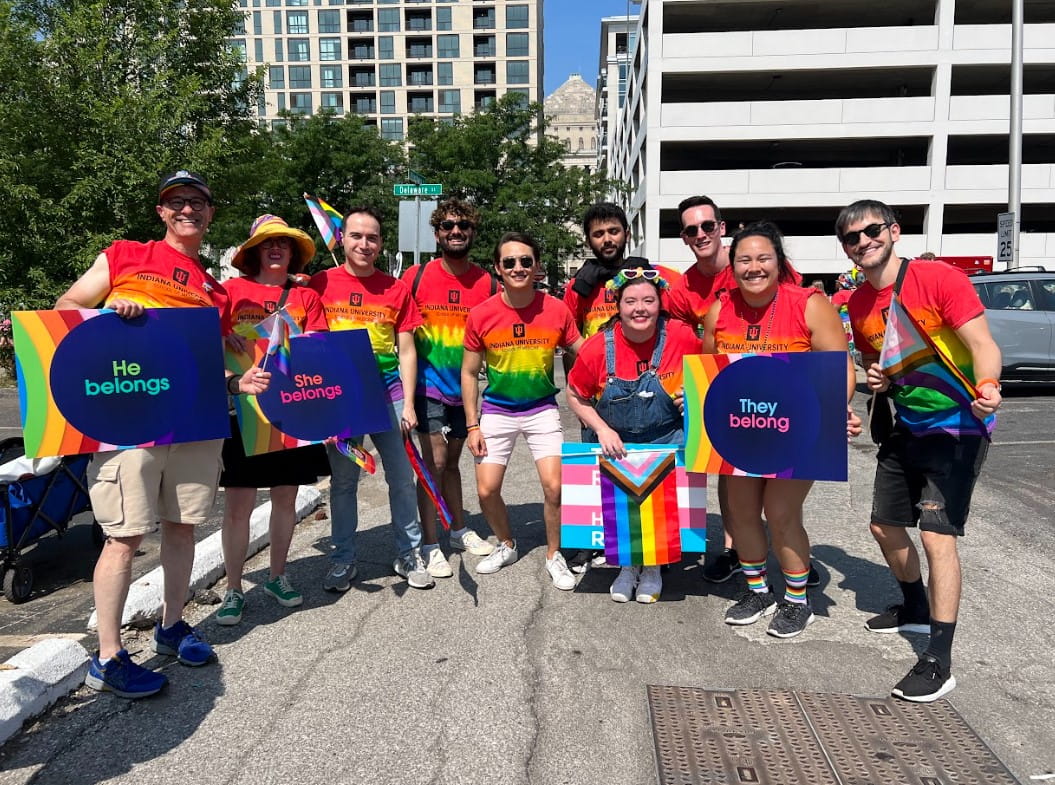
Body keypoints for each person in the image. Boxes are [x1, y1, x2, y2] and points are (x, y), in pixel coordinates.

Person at [57, 171, 270, 698]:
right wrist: (106, 312)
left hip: (194, 421)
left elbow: (205, 360)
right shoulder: (126, 255)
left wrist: (236, 380)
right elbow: (64, 308)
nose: (187, 210)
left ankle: (173, 627)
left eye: (197, 202)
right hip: (128, 419)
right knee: (125, 536)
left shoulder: (213, 290)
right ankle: (108, 658)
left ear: (210, 213)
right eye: (177, 202)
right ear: (161, 211)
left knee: (182, 527)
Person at [839, 200, 1001, 701]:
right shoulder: (858, 304)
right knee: (884, 525)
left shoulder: (937, 278)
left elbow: (981, 344)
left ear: (893, 231)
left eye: (870, 231)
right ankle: (912, 606)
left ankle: (939, 658)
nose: (863, 241)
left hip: (957, 426)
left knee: (937, 536)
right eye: (851, 237)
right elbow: (881, 367)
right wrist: (876, 381)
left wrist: (990, 383)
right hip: (906, 427)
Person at [701, 221, 859, 639]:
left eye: (763, 258)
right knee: (741, 512)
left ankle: (796, 599)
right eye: (744, 260)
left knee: (781, 512)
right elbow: (709, 373)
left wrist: (837, 408)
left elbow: (840, 366)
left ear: (779, 262)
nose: (754, 267)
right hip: (741, 429)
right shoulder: (719, 310)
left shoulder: (809, 304)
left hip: (798, 430)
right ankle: (758, 591)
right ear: (732, 266)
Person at [666, 196, 818, 587]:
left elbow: (810, 341)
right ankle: (739, 555)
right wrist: (690, 387)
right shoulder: (686, 289)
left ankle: (792, 564)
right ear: (684, 237)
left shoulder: (777, 279)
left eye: (706, 226)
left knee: (781, 507)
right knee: (736, 494)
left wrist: (831, 406)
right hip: (734, 400)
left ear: (721, 227)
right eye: (690, 230)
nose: (700, 234)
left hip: (782, 403)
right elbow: (690, 342)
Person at [309, 206, 433, 592]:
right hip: (342, 401)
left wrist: (409, 404)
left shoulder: (395, 289)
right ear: (342, 239)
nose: (364, 244)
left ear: (381, 243)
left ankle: (409, 554)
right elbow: (311, 345)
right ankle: (343, 559)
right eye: (357, 236)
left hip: (389, 395)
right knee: (344, 483)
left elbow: (407, 350)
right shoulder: (319, 284)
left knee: (400, 477)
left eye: (372, 237)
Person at [215, 215, 329, 626]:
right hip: (242, 413)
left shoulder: (307, 298)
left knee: (285, 499)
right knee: (238, 505)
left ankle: (278, 576)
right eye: (267, 244)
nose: (276, 248)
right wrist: (222, 337)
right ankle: (233, 589)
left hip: (291, 412)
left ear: (293, 251)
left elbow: (319, 349)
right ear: (254, 252)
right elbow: (206, 342)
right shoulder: (228, 293)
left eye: (283, 242)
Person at [566, 266, 701, 603]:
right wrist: (601, 428)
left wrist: (696, 398)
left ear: (660, 303)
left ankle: (653, 567)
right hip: (617, 442)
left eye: (648, 300)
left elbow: (710, 375)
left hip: (667, 437)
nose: (639, 308)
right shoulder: (597, 347)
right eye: (631, 301)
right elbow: (575, 395)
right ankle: (626, 567)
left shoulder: (683, 337)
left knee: (661, 507)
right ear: (618, 305)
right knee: (621, 508)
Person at [462, 232, 583, 589]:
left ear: (537, 267)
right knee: (486, 490)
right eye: (510, 262)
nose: (518, 267)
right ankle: (507, 544)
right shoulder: (481, 314)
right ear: (498, 268)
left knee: (554, 487)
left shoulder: (556, 308)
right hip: (497, 411)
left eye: (525, 261)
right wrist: (472, 425)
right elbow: (469, 373)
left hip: (541, 409)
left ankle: (553, 554)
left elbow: (583, 351)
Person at [401, 199, 497, 579]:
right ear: (437, 232)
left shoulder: (488, 281)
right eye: (448, 226)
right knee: (433, 465)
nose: (455, 232)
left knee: (453, 465)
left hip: (467, 391)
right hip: (428, 387)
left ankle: (457, 530)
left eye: (463, 226)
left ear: (473, 232)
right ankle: (429, 543)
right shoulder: (416, 276)